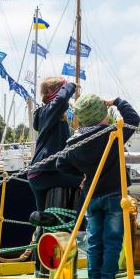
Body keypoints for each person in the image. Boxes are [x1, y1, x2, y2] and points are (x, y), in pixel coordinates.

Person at [56, 94, 140, 279]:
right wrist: (116, 102)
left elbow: (61, 164)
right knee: (112, 240)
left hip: (91, 195)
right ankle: (107, 278)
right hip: (115, 194)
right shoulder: (112, 133)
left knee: (93, 240)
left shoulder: (74, 142)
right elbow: (133, 119)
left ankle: (94, 278)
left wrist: (82, 175)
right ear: (101, 114)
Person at [27, 77, 82, 212]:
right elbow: (62, 100)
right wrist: (71, 85)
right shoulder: (50, 111)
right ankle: (79, 225)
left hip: (36, 175)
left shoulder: (44, 114)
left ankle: (41, 232)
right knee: (85, 181)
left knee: (42, 220)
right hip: (47, 173)